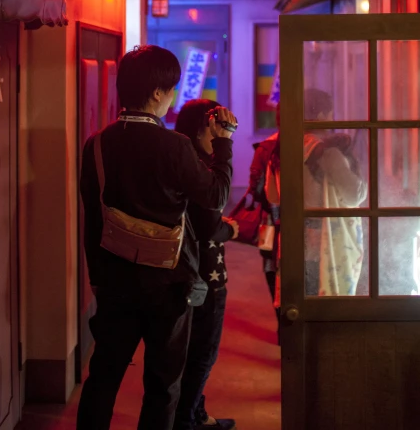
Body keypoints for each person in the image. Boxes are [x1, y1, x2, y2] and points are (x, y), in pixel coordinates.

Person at [77, 46, 237, 430]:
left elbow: (93, 219)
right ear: (155, 94)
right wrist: (224, 142)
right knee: (163, 385)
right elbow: (215, 196)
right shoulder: (175, 147)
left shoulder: (98, 143)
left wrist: (97, 279)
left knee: (103, 376)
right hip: (169, 283)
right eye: (170, 90)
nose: (171, 98)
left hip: (115, 280)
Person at [173, 99, 239, 430]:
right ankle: (188, 420)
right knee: (202, 353)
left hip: (180, 269)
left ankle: (195, 413)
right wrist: (231, 228)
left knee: (188, 350)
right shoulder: (201, 164)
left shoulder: (176, 156)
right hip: (205, 273)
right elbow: (209, 223)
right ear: (205, 125)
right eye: (217, 123)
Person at [303, 88, 368, 296]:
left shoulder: (285, 145)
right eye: (331, 115)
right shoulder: (329, 154)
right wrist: (352, 162)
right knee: (323, 308)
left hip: (292, 239)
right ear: (322, 116)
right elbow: (355, 195)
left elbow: (273, 196)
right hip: (325, 244)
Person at [246, 103, 280, 340]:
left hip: (270, 221)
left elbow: (255, 190)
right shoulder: (312, 145)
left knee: (270, 266)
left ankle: (280, 320)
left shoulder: (266, 147)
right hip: (303, 224)